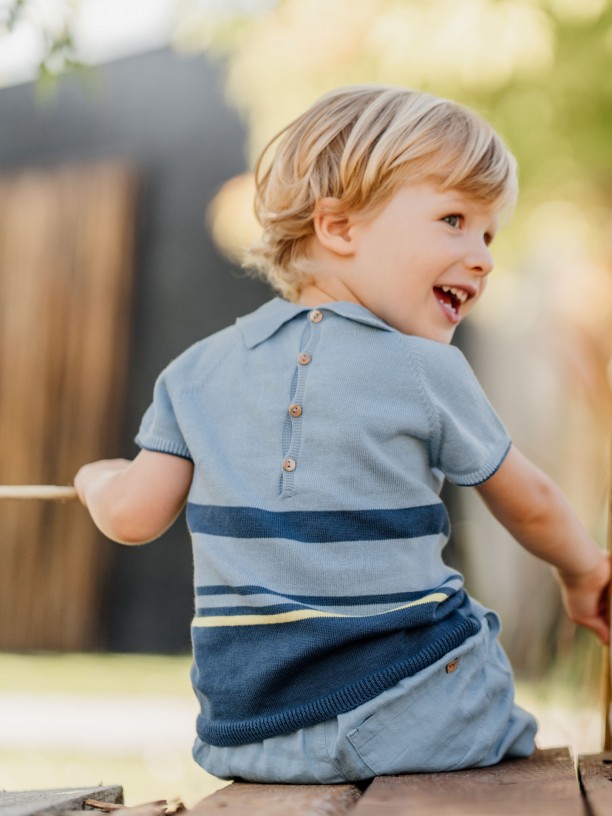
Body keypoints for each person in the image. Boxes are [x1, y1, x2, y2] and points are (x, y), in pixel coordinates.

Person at [75, 86, 610, 784]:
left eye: (488, 234)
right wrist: (583, 570)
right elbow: (531, 501)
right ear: (339, 226)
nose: (481, 257)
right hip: (421, 714)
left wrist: (94, 478)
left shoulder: (194, 373)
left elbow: (132, 515)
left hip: (250, 735)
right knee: (478, 656)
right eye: (454, 219)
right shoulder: (429, 370)